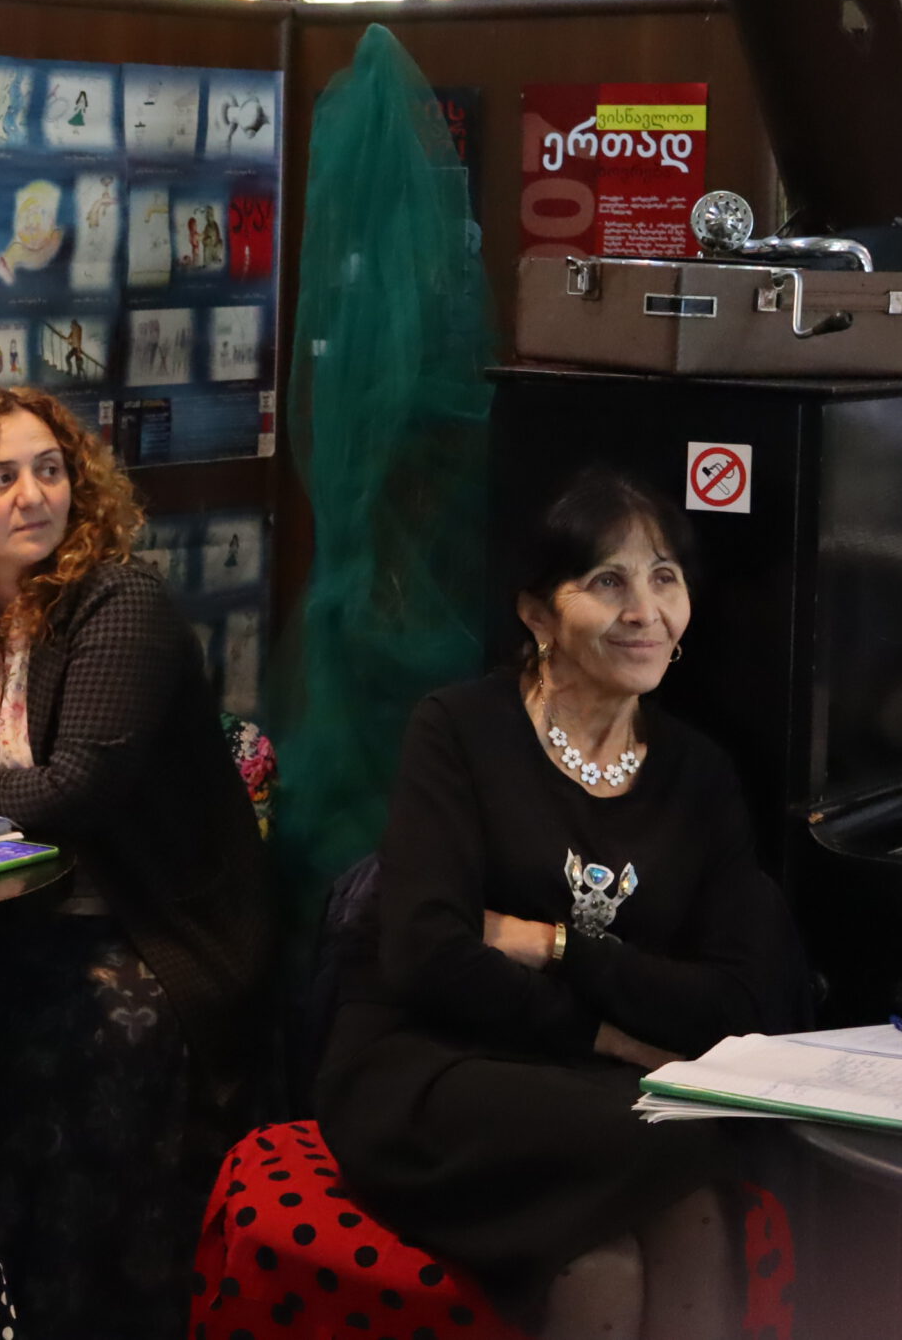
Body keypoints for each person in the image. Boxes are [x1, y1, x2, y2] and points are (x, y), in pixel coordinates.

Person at [0, 385, 275, 1340]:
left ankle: (75, 1315)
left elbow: (73, 792)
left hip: (155, 920)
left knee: (88, 1040)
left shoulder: (119, 601)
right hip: (16, 911)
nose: (32, 495)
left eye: (49, 470)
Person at [316, 468, 808, 1340]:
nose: (645, 610)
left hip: (596, 1088)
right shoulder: (458, 729)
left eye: (664, 577)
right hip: (436, 1065)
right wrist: (609, 1032)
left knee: (638, 1234)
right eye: (607, 580)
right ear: (538, 615)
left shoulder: (700, 774)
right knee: (692, 1141)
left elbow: (736, 1000)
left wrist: (555, 946)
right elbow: (428, 959)